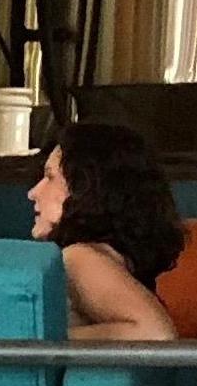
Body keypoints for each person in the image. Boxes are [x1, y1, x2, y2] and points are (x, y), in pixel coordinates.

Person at [30, 119, 183, 340]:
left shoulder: (79, 257)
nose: (33, 192)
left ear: (86, 187)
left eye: (50, 177)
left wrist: (40, 341)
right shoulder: (108, 257)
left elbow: (156, 334)